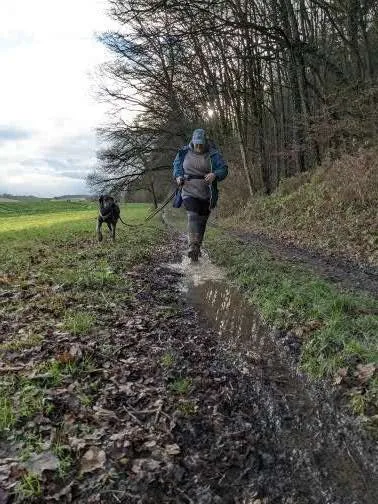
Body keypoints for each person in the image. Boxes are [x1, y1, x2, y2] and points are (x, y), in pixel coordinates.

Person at [172, 128, 228, 261]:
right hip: (188, 189)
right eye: (196, 144)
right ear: (192, 141)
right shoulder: (183, 152)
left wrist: (215, 174)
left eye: (201, 144)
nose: (198, 146)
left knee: (202, 222)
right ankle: (192, 245)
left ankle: (197, 248)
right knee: (192, 215)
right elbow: (176, 167)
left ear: (205, 142)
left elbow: (224, 169)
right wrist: (178, 177)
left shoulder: (213, 154)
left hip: (206, 193)